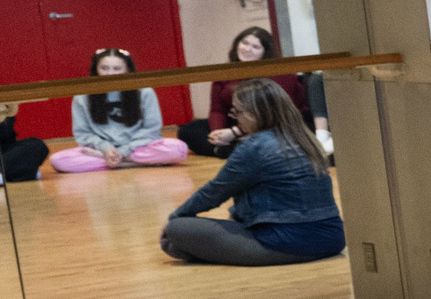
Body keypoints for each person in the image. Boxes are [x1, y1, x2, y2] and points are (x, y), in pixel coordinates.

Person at [157, 78, 344, 266]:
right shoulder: (305, 138)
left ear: (256, 114)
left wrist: (174, 218)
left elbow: (213, 192)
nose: (235, 117)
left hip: (284, 242)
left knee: (176, 230)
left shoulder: (255, 146)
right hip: (332, 239)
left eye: (238, 111)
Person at [177, 26, 309, 158]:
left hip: (274, 122)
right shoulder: (225, 72)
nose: (247, 49)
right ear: (237, 44)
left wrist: (234, 132)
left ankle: (229, 149)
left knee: (272, 133)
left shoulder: (279, 72)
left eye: (255, 47)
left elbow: (272, 113)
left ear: (265, 52)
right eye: (244, 43)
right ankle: (226, 149)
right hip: (238, 122)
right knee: (188, 130)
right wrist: (218, 133)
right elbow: (217, 110)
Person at [50, 51, 190, 172]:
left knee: (178, 149)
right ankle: (130, 162)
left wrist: (123, 152)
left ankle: (112, 162)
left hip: (136, 147)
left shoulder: (144, 91)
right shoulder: (82, 96)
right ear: (96, 70)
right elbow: (83, 134)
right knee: (58, 160)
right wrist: (106, 149)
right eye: (104, 68)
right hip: (103, 149)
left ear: (127, 70)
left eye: (116, 68)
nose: (110, 73)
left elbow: (152, 129)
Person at [1, 102, 45, 183]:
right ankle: (19, 172)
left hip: (5, 153)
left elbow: (9, 138)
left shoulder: (7, 103)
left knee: (36, 145)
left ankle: (10, 173)